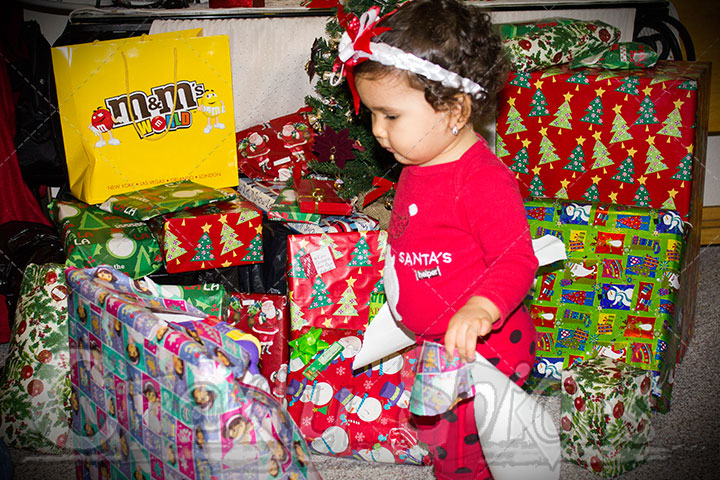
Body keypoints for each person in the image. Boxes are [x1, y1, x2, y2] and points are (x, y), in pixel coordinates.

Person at [339, 1, 540, 478]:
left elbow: (516, 259)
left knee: (469, 450)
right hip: (435, 339)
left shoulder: (481, 181)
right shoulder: (421, 160)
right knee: (436, 433)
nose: (377, 131)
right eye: (372, 114)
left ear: (455, 109)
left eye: (390, 116)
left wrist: (480, 308)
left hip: (483, 348)